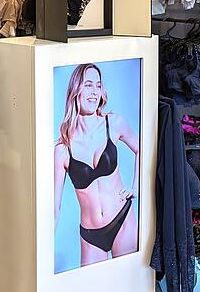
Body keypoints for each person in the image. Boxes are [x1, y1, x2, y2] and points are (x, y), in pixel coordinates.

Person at [54, 63, 139, 267]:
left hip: (122, 221)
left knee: (125, 287)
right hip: (91, 235)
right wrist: (42, 245)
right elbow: (54, 207)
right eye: (88, 85)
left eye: (98, 86)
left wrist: (136, 186)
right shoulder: (62, 149)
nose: (94, 92)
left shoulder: (114, 123)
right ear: (76, 90)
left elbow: (142, 148)